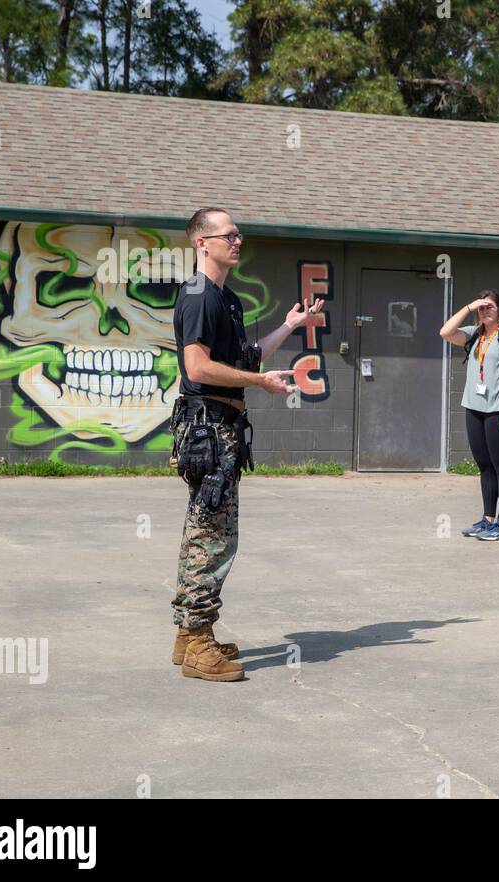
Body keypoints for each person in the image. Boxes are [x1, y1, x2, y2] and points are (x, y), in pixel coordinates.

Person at [170, 207, 312, 681]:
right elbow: (198, 368)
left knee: (210, 531)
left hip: (223, 427)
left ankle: (190, 635)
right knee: (211, 536)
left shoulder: (225, 299)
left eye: (238, 234)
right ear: (201, 243)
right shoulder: (198, 297)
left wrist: (289, 326)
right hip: (209, 427)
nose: (237, 241)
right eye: (227, 235)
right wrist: (259, 382)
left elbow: (245, 357)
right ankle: (196, 642)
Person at [440, 290, 499, 542]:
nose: (485, 311)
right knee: (484, 465)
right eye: (482, 308)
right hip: (474, 406)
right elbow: (445, 332)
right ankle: (487, 519)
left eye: (490, 307)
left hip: (497, 409)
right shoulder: (475, 334)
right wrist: (468, 306)